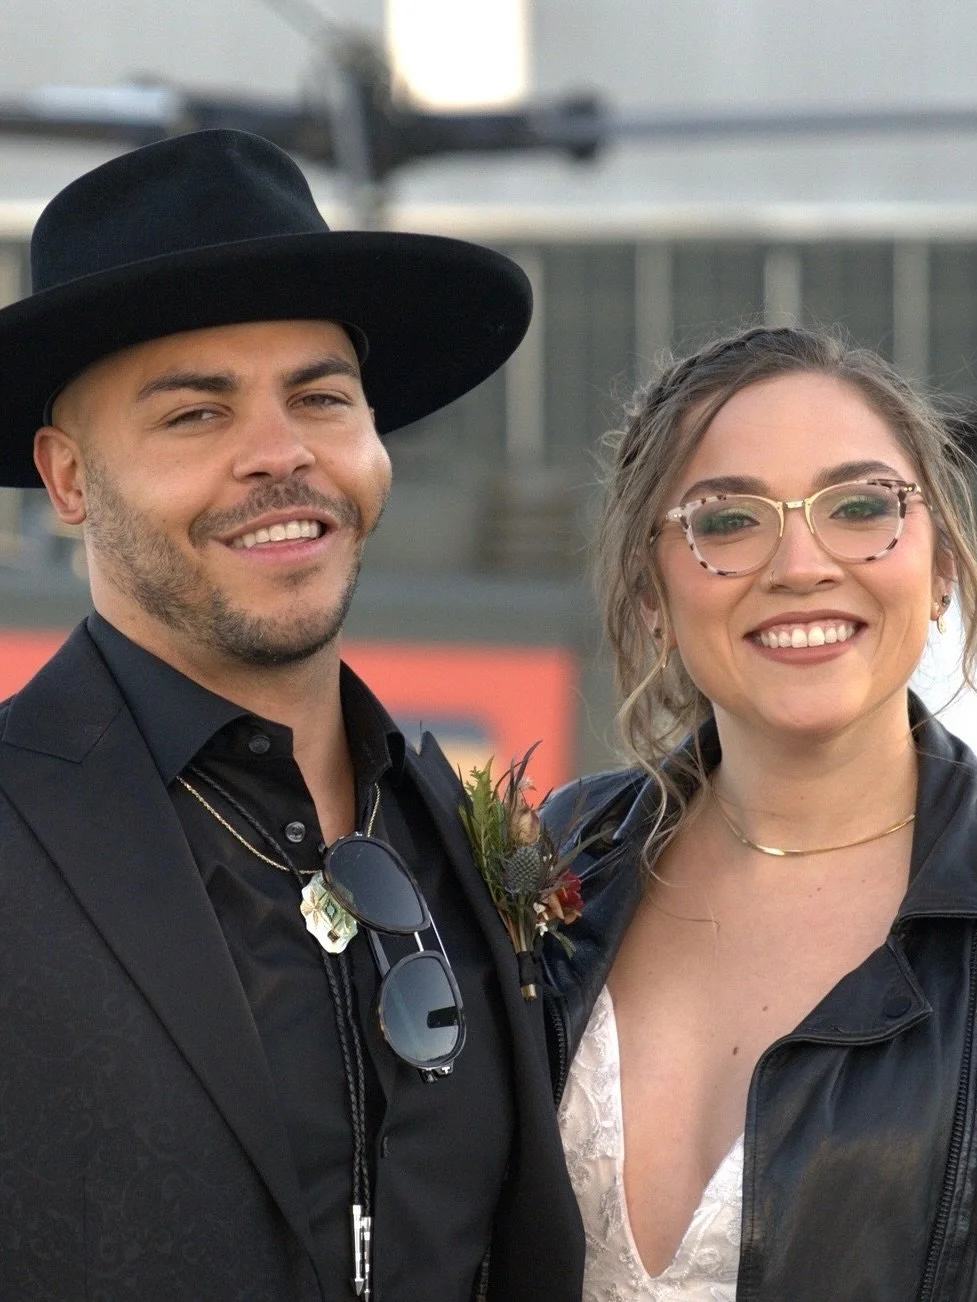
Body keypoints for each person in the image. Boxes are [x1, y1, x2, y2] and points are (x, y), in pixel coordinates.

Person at [0, 129, 584, 1302]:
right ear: (68, 479)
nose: (280, 457)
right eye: (194, 415)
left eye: (319, 396)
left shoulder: (456, 836)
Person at [541, 325, 977, 1300]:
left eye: (860, 505)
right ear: (651, 589)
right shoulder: (563, 856)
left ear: (940, 560)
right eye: (727, 519)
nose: (800, 563)